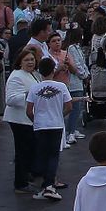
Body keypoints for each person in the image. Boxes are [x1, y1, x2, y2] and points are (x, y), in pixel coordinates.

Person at [28, 57, 71, 201]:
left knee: (42, 154)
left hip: (40, 126)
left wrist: (36, 121)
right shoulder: (62, 87)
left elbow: (29, 110)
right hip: (56, 124)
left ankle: (43, 183)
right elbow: (69, 106)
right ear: (53, 70)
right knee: (54, 155)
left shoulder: (34, 88)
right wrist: (60, 116)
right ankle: (49, 185)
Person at [4, 47, 42, 194]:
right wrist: (29, 95)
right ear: (20, 62)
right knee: (22, 150)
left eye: (32, 59)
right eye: (27, 60)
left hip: (29, 118)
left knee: (29, 149)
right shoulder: (16, 76)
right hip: (19, 119)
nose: (30, 62)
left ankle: (27, 176)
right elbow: (10, 99)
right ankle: (20, 183)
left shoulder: (33, 74)